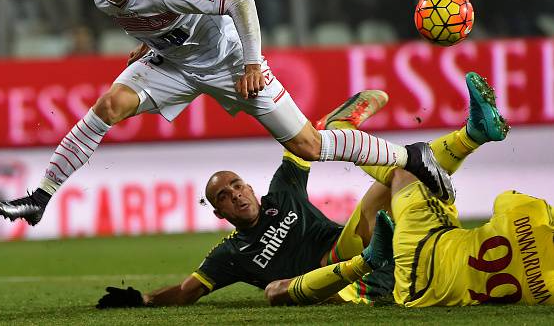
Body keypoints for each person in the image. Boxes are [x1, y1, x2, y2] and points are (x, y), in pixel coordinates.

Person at [0, 0, 450, 226]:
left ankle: (411, 156)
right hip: (175, 64)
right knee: (109, 105)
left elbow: (241, 3)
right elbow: (157, 22)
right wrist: (150, 44)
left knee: (307, 145)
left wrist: (253, 62)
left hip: (230, 60)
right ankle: (42, 195)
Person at [266, 73, 554, 307]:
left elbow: (505, 200)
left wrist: (367, 262)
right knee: (283, 290)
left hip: (426, 248)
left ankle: (470, 137)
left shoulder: (531, 216)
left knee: (407, 172)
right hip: (421, 288)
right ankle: (342, 129)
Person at [95, 89, 396, 308]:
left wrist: (330, 125)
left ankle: (343, 130)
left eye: (238, 186)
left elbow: (302, 143)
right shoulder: (232, 254)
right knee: (279, 293)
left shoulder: (283, 191)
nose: (235, 195)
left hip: (347, 249)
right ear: (219, 213)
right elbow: (188, 291)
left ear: (252, 188)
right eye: (223, 196)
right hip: (323, 285)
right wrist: (143, 298)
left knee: (388, 185)